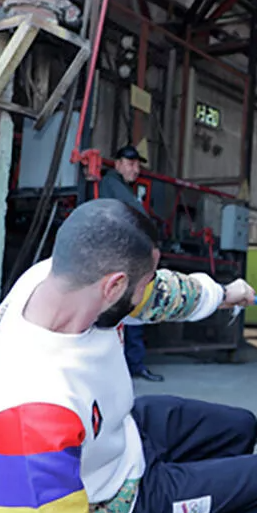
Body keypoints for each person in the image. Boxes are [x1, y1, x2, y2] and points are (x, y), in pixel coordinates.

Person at [0, 199, 257, 513]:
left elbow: (161, 295)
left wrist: (223, 294)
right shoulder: (26, 414)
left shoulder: (65, 277)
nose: (150, 289)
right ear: (114, 286)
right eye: (144, 281)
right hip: (121, 497)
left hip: (118, 433)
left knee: (240, 427)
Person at [98, 144, 162, 382]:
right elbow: (136, 212)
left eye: (137, 165)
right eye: (131, 163)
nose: (136, 169)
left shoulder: (123, 187)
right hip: (116, 254)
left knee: (132, 308)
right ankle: (128, 365)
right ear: (118, 164)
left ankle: (133, 364)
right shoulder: (112, 182)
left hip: (124, 254)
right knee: (125, 308)